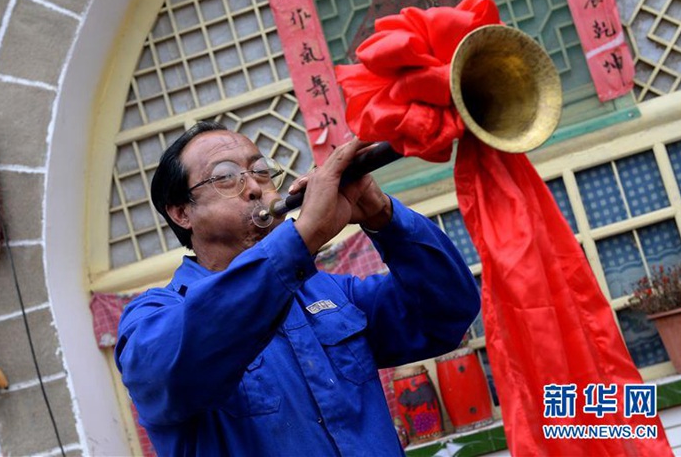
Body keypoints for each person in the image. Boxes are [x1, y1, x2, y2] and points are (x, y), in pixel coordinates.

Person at [115, 121, 480, 456]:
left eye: (261, 171)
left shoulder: (328, 292)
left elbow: (449, 312)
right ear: (181, 213)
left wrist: (383, 215)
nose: (255, 188)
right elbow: (174, 367)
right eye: (226, 177)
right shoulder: (152, 318)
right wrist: (303, 237)